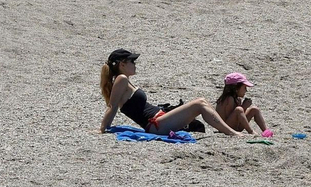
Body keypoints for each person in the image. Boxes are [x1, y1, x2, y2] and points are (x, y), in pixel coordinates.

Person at [99, 49, 241, 136]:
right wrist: (103, 129)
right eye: (132, 61)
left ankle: (229, 130)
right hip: (155, 125)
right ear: (122, 64)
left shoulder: (125, 80)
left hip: (160, 119)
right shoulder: (121, 79)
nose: (135, 64)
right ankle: (231, 132)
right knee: (200, 103)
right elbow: (112, 106)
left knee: (201, 102)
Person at [215, 72, 271, 136]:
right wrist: (243, 107)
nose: (246, 91)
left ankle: (266, 131)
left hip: (234, 126)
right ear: (236, 88)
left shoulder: (235, 99)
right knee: (239, 109)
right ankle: (251, 131)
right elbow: (229, 118)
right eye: (244, 88)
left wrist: (242, 106)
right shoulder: (229, 99)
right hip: (226, 128)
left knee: (254, 109)